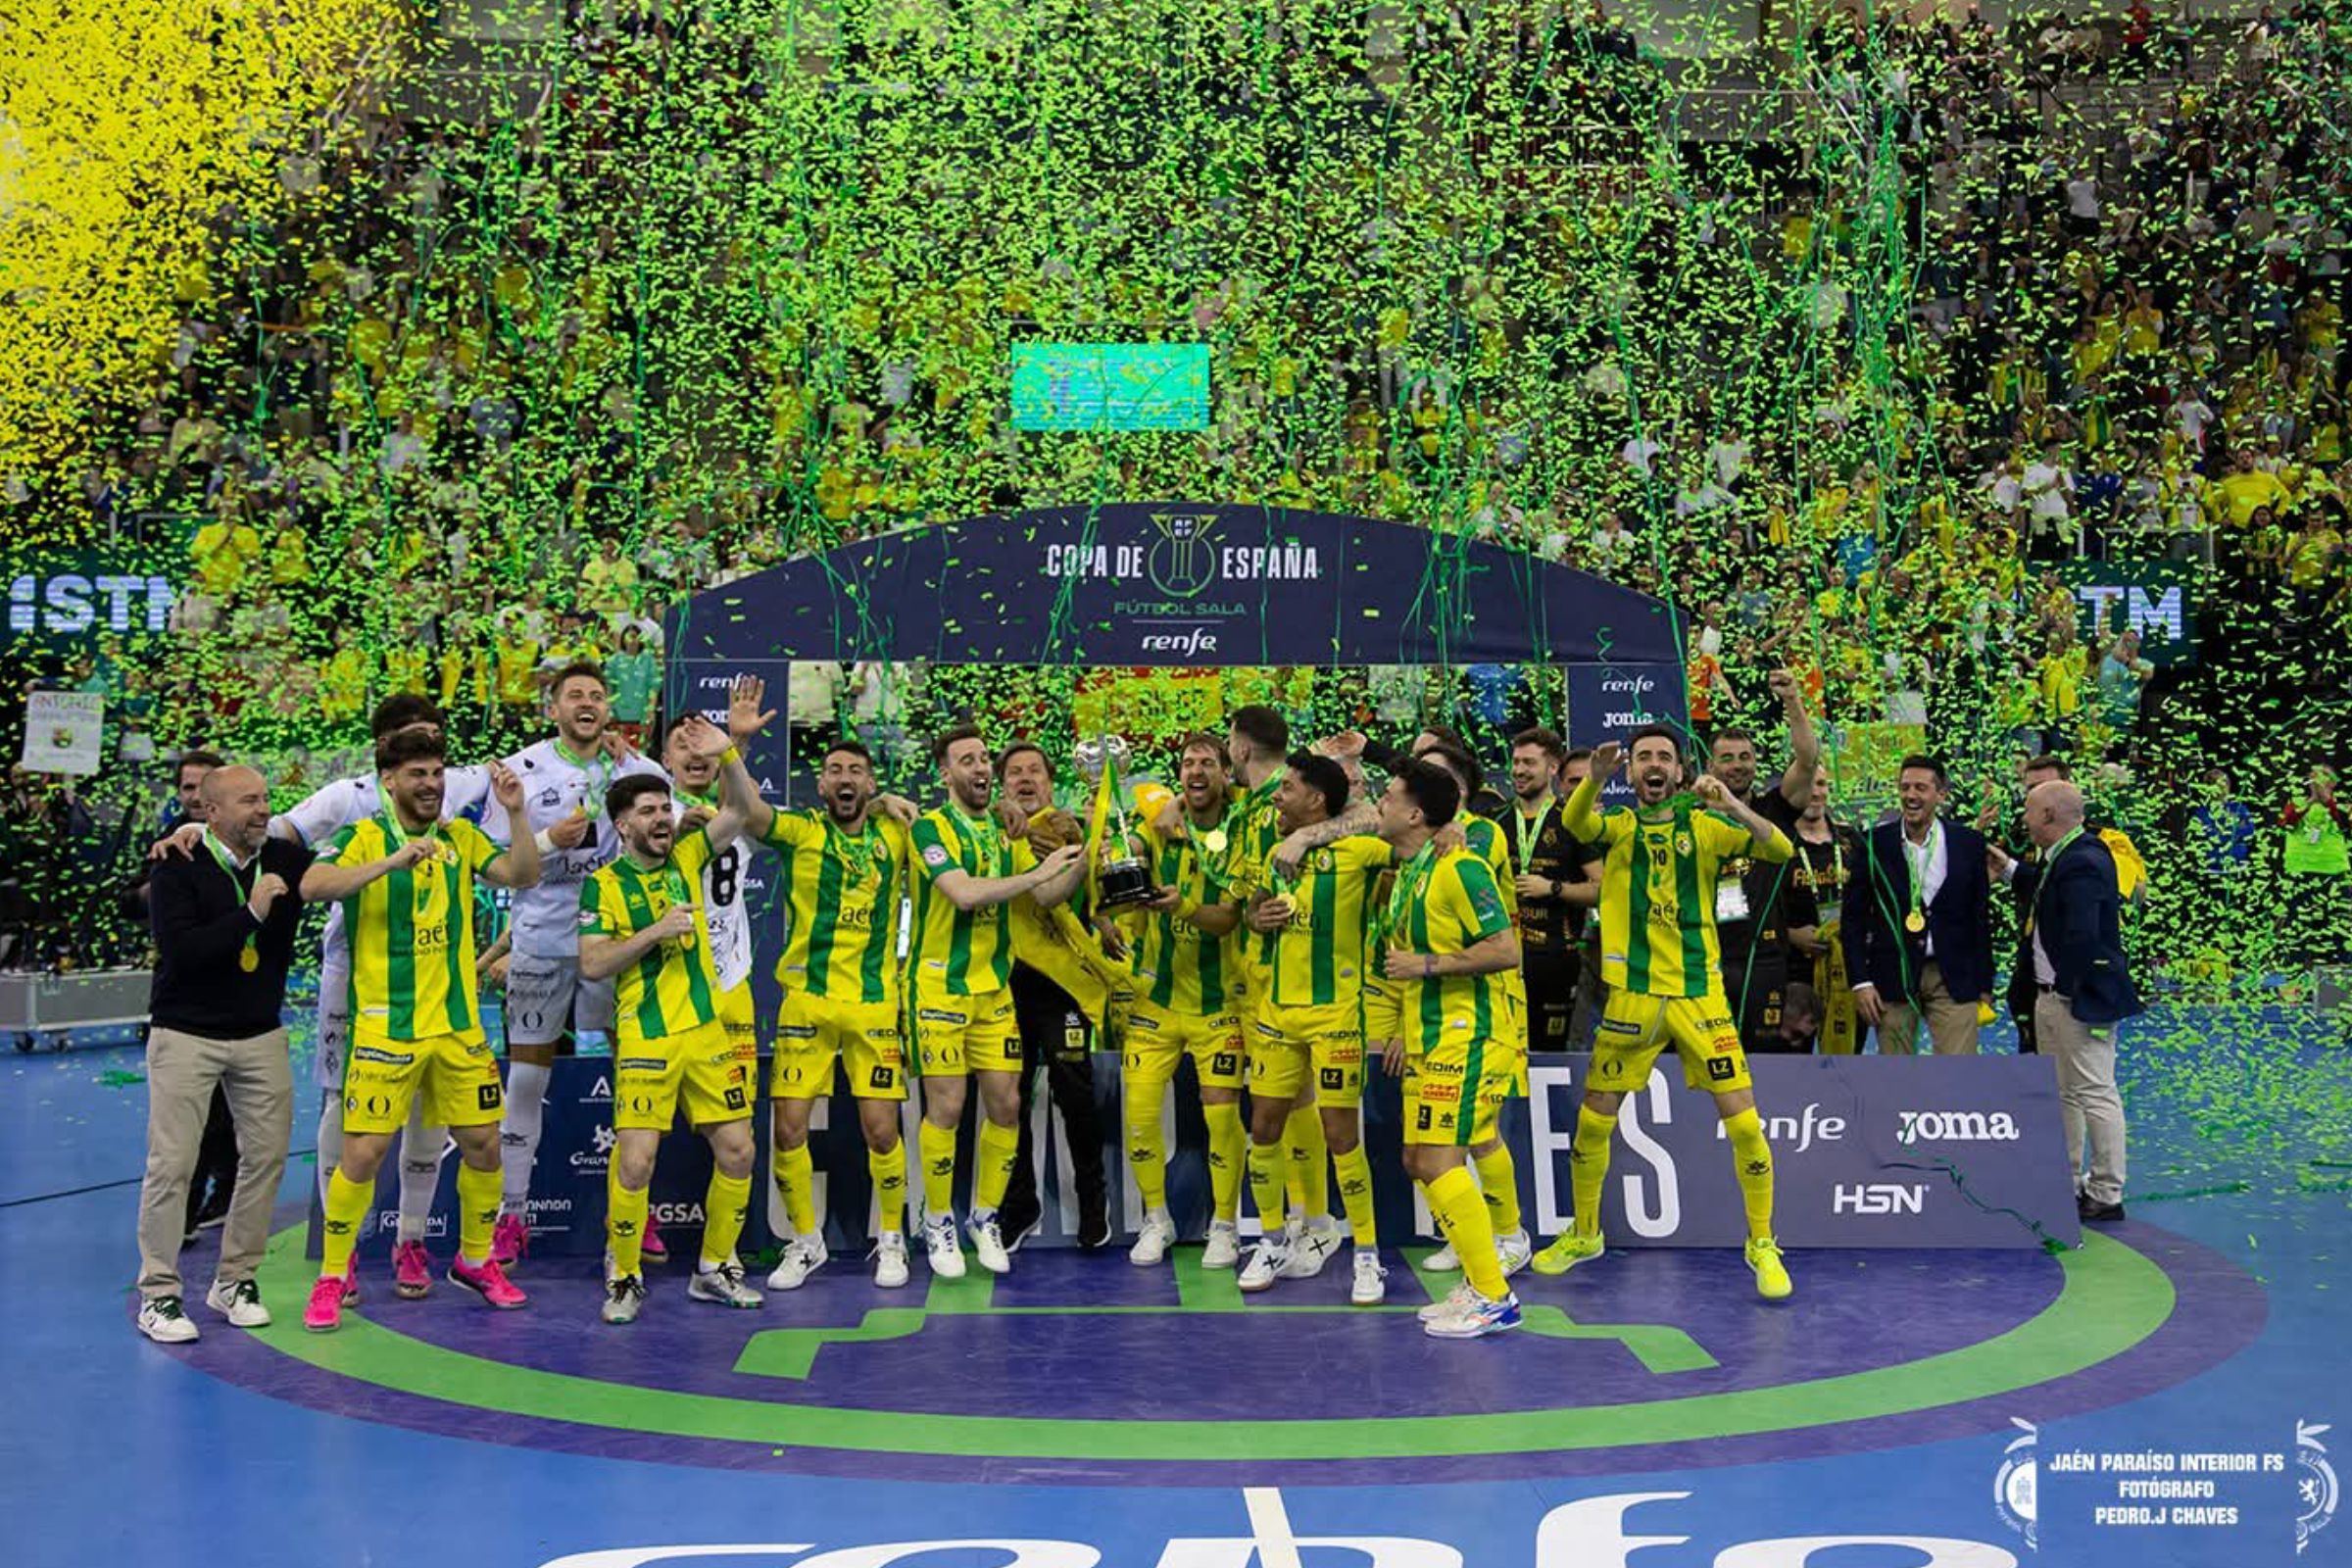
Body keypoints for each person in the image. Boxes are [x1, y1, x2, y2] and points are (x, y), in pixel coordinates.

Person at [1533, 728, 1794, 1302]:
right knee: (1594, 1121)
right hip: (1632, 997)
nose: (1654, 765)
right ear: (1632, 773)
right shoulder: (1618, 825)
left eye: (1665, 758)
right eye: (1644, 757)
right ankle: (1585, 1233)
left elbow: (1779, 850)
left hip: (1700, 995)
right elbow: (1576, 824)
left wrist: (1732, 805)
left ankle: (1762, 1243)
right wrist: (1594, 777)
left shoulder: (1705, 825)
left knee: (1744, 1125)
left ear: (1679, 772)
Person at [297, 728, 540, 1331]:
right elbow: (311, 886)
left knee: (484, 1145)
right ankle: (333, 1274)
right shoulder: (362, 836)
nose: (431, 785)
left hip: (458, 1028)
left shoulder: (461, 836)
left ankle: (475, 1260)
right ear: (389, 780)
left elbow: (523, 874)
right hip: (386, 1028)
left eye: (437, 773)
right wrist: (391, 862)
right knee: (363, 1153)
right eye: (418, 775)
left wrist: (517, 812)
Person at [580, 723, 776, 1324]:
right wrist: (655, 931)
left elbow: (739, 811)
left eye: (665, 808)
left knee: (739, 1151)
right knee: (636, 1162)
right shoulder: (603, 886)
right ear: (623, 826)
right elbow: (593, 963)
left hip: (708, 1032)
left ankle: (715, 1267)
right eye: (648, 811)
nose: (662, 818)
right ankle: (624, 1275)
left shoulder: (689, 855)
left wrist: (730, 752)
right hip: (647, 1037)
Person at [495, 662, 667, 1264]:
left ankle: (635, 1212)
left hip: (616, 941)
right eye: (574, 696)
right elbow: (496, 860)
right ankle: (511, 1214)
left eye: (596, 695)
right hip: (542, 942)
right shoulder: (521, 770)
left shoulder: (638, 770)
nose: (587, 703)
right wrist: (547, 843)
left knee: (633, 1074)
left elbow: (667, 836)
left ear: (608, 708)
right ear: (554, 709)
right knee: (527, 1078)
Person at [134, 764, 314, 1343]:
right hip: (186, 1034)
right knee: (172, 1165)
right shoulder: (176, 863)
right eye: (248, 801)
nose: (262, 810)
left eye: (265, 799)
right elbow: (184, 952)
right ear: (210, 813)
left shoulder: (283, 859)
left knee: (266, 1159)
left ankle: (235, 1279)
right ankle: (158, 1294)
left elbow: (332, 876)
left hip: (260, 1034)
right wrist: (252, 913)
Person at [907, 725, 1086, 1278]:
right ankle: (938, 1219)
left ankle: (984, 1217)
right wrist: (1034, 872)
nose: (981, 767)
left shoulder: (1007, 832)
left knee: (1007, 1105)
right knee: (947, 1108)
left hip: (994, 991)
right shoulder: (929, 829)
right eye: (967, 760)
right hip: (939, 989)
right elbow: (962, 893)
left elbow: (1046, 894)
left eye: (985, 758)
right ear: (946, 773)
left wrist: (1083, 855)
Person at [759, 740, 918, 1292]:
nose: (845, 778)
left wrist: (888, 804)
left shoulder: (897, 832)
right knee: (787, 1129)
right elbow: (749, 810)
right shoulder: (800, 831)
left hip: (874, 1004)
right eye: (834, 771)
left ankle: (892, 1238)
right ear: (821, 784)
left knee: (882, 1131)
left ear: (870, 784)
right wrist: (733, 751)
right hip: (806, 1003)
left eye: (856, 771)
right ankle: (806, 1241)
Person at [1376, 760, 1524, 1339]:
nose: (1380, 803)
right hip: (1427, 1037)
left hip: (1468, 1035)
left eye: (1390, 796)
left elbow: (1505, 949)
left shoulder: (1462, 868)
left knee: (1440, 1162)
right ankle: (1476, 1279)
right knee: (1418, 1161)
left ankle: (1494, 1296)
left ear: (1415, 814)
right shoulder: (1412, 871)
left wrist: (1426, 965)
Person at [1241, 752, 1395, 1303]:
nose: (1278, 795)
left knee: (1341, 1136)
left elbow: (1385, 821)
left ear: (1317, 800)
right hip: (1277, 1015)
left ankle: (1367, 1255)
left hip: (1336, 1018)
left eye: (1288, 787)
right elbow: (1254, 908)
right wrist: (1258, 916)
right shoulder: (1274, 850)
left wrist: (1311, 836)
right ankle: (1272, 1240)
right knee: (1264, 1129)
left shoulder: (1361, 851)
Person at [1121, 735, 1258, 1273]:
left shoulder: (1241, 828)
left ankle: (1224, 1225)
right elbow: (1131, 840)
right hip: (1154, 1001)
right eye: (1187, 764)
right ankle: (1156, 1219)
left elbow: (1227, 919)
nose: (1195, 771)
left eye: (1207, 763)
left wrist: (1181, 907)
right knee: (1138, 1117)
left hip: (1219, 1003)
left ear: (1226, 773)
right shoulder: (1157, 820)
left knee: (1221, 1117)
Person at [1987, 781, 2141, 1222]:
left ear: (2049, 815)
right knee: (2066, 1094)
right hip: (2052, 996)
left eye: (2029, 811)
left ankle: (2107, 1191)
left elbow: (2083, 935)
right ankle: (2067, 1180)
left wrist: (2070, 990)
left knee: (2094, 1091)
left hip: (2076, 1000)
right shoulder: (2066, 856)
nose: (2024, 819)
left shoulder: (2083, 861)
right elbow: (2047, 890)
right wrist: (2010, 869)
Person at [995, 742, 1115, 1252]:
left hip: (1061, 985)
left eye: (1035, 771)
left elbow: (1087, 894)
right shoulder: (988, 830)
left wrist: (1101, 909)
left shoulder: (1072, 829)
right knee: (1007, 1098)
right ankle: (1019, 1206)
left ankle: (1093, 1202)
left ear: (1049, 781)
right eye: (1015, 773)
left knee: (1075, 1091)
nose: (1025, 779)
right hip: (1001, 983)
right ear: (1002, 785)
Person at [1702, 672, 1821, 1057]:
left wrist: (1792, 701)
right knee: (1709, 1058)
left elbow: (1808, 761)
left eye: (1745, 757)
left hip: (1764, 958)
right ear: (1710, 765)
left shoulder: (1774, 809)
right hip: (1705, 957)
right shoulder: (1692, 817)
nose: (1737, 766)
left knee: (1765, 1057)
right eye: (1727, 758)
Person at [1844, 756, 1995, 1055]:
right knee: (1896, 1075)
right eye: (1905, 787)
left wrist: (1985, 983)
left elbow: (1979, 916)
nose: (1910, 795)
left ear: (1941, 795)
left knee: (1958, 1071)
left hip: (1953, 976)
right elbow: (1853, 919)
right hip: (1893, 975)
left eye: (1920, 788)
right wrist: (1860, 981)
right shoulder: (1873, 844)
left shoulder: (1969, 843)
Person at [1499, 727, 1586, 1053]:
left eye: (1529, 763)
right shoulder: (1494, 821)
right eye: (1516, 761)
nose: (1519, 770)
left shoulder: (1573, 821)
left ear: (1552, 768)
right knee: (1504, 1049)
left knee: (1549, 1053)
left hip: (1555, 961)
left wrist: (1553, 887)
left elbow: (1603, 888)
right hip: (1502, 960)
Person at [1789, 766, 1863, 1054]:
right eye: (1807, 784)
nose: (1815, 793)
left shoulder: (1851, 840)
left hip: (1846, 969)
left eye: (1821, 784)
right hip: (1796, 973)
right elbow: (1759, 907)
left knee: (1847, 1060)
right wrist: (1790, 935)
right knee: (1794, 1062)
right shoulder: (1777, 841)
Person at [2281, 765, 2352, 972]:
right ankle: (2294, 976)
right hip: (2301, 872)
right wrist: (2312, 800)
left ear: (2333, 782)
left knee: (2340, 926)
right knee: (2298, 927)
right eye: (2315, 777)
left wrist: (2328, 801)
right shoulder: (2296, 802)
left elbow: (2346, 824)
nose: (2320, 781)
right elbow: (2286, 823)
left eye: (2325, 777)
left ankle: (2341, 975)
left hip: (2334, 872)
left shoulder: (2343, 804)